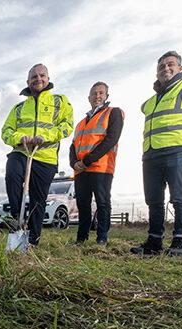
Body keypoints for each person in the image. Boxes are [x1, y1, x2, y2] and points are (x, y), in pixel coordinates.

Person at [130, 51, 182, 256]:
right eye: (161, 67)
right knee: (154, 200)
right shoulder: (151, 101)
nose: (165, 69)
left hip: (177, 151)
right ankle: (154, 242)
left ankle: (180, 242)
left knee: (178, 197)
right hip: (151, 154)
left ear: (180, 69)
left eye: (171, 65)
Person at [2, 63, 73, 247]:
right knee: (12, 173)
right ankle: (17, 217)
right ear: (28, 81)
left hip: (45, 158)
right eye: (34, 76)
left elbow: (66, 126)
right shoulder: (18, 108)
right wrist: (19, 137)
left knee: (38, 201)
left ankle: (32, 242)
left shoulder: (60, 101)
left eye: (42, 75)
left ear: (48, 79)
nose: (38, 79)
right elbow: (6, 131)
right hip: (22, 152)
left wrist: (46, 136)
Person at [70, 82, 124, 244]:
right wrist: (74, 163)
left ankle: (102, 238)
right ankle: (81, 238)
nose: (97, 96)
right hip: (80, 170)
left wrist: (87, 160)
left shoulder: (113, 113)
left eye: (101, 93)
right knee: (83, 204)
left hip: (101, 167)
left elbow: (111, 139)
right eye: (94, 93)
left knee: (102, 202)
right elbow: (73, 145)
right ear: (89, 97)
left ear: (106, 96)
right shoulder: (81, 122)